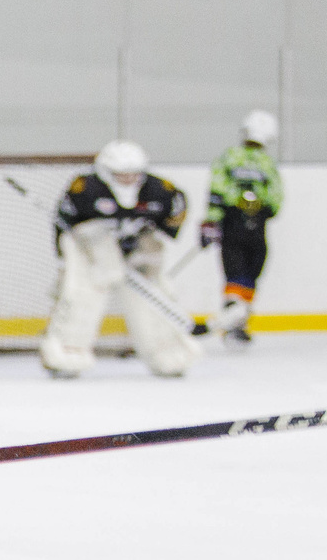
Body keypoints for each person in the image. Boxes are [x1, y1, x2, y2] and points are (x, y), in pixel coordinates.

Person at [39, 140, 197, 380]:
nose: (128, 180)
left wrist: (143, 242)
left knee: (151, 294)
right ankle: (67, 352)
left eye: (133, 174)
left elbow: (175, 214)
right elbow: (66, 227)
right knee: (84, 291)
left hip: (138, 247)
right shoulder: (84, 189)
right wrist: (73, 258)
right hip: (92, 249)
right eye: (121, 175)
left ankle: (167, 353)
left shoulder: (160, 190)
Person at [203, 111, 284, 347]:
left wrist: (211, 220)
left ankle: (234, 320)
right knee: (248, 272)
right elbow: (276, 197)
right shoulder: (267, 163)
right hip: (255, 225)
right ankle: (236, 322)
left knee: (236, 273)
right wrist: (264, 210)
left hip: (232, 222)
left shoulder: (229, 157)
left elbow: (217, 188)